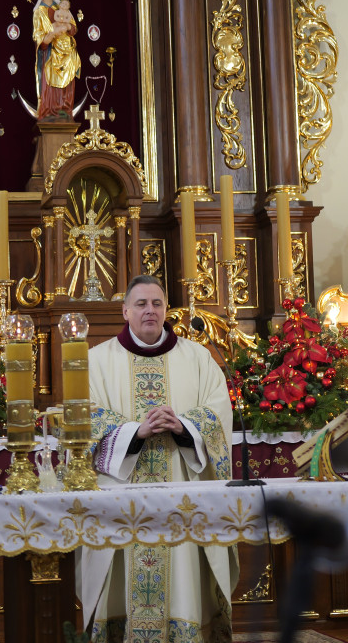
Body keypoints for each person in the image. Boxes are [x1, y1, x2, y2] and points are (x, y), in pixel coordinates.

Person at [82, 275, 237, 642]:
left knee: (184, 577)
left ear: (167, 310)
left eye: (156, 304)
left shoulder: (198, 357)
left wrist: (184, 426)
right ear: (125, 311)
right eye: (140, 304)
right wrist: (134, 433)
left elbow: (218, 412)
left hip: (183, 494)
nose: (149, 311)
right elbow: (84, 417)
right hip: (120, 498)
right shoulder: (97, 360)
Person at [33, 0, 80, 121]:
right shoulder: (39, 12)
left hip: (66, 51)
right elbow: (38, 35)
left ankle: (64, 109)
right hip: (50, 53)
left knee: (67, 80)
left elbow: (73, 27)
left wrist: (67, 27)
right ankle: (50, 111)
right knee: (50, 82)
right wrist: (50, 35)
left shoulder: (61, 7)